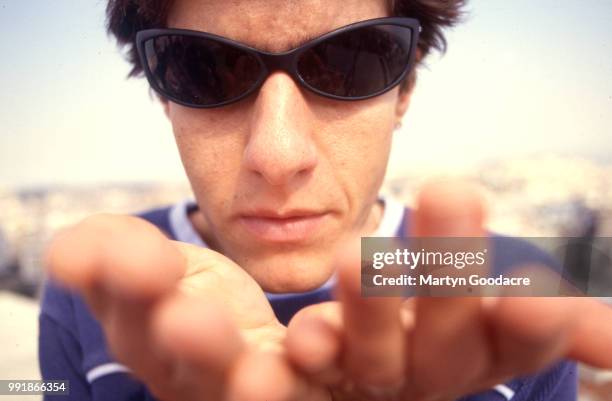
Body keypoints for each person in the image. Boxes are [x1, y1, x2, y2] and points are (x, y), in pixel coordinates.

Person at [39, 0, 612, 400]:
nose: (279, 154)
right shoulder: (99, 293)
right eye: (204, 70)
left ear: (405, 89)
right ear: (165, 98)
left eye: (349, 63)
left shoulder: (510, 289)